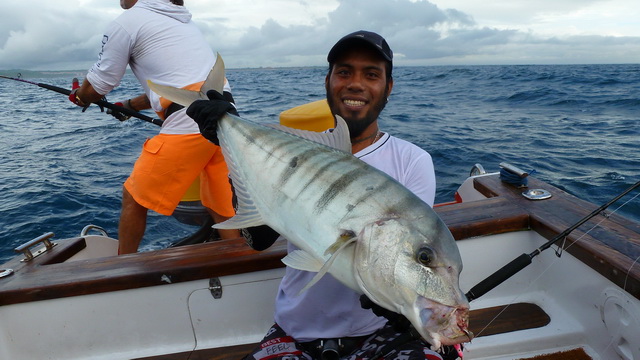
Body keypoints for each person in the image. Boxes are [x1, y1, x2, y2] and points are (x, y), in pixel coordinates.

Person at [187, 31, 454, 359]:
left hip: (380, 330)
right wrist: (231, 140)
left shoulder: (411, 160)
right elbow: (258, 238)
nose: (355, 83)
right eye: (344, 72)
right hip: (296, 329)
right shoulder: (293, 155)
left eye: (371, 74)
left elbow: (407, 252)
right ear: (327, 81)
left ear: (389, 86)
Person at [69, 0, 240, 254]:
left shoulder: (127, 23)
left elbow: (97, 86)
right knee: (219, 204)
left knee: (134, 197)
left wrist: (80, 96)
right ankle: (238, 259)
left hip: (189, 125)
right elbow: (182, 86)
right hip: (225, 121)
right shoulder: (180, 20)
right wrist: (127, 106)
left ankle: (123, 271)